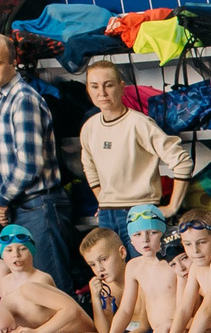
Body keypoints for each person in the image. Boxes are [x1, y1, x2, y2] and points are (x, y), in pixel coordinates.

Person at [0, 33, 77, 289]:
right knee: (27, 289)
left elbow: (30, 165)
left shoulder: (24, 99)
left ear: (13, 62)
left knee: (52, 286)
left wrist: (0, 200)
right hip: (10, 208)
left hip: (38, 207)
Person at [77, 59, 192, 233]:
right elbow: (89, 167)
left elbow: (182, 162)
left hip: (141, 212)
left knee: (144, 253)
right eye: (94, 86)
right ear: (87, 89)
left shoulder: (139, 123)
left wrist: (172, 207)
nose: (102, 93)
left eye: (109, 85)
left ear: (121, 86)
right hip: (107, 215)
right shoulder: (89, 127)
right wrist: (104, 200)